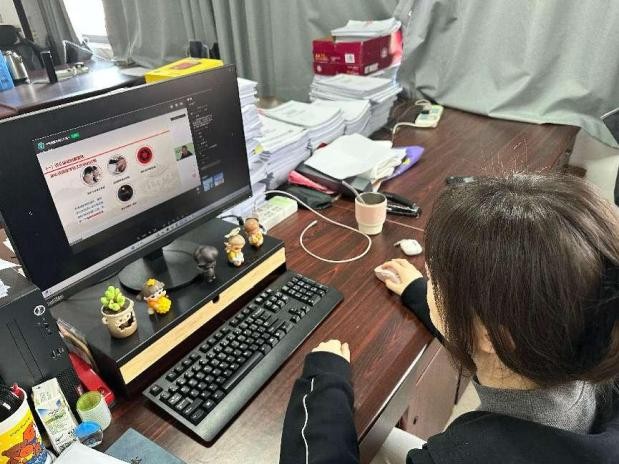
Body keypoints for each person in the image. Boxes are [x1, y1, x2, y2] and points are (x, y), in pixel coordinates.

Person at [279, 173, 619, 464]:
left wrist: (322, 383)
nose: (430, 285)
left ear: (492, 335)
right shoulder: (585, 344)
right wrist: (418, 292)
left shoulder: (458, 456)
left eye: (435, 281)